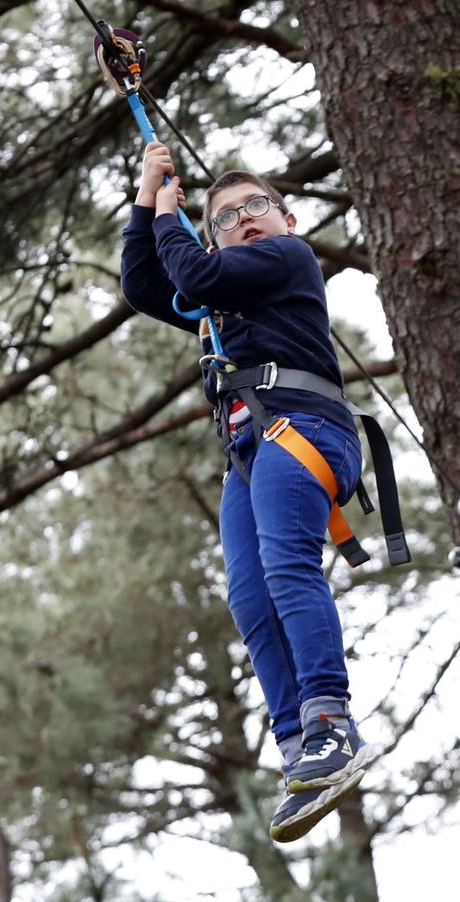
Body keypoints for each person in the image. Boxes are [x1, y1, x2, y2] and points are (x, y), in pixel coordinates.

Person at [121, 142, 382, 843]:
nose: (242, 218)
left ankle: (330, 719)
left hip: (303, 428)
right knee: (249, 593)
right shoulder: (220, 303)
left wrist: (175, 212)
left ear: (288, 220)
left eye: (255, 207)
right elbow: (147, 287)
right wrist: (148, 198)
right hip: (250, 452)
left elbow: (193, 269)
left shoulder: (287, 260)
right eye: (227, 216)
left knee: (286, 566)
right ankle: (299, 741)